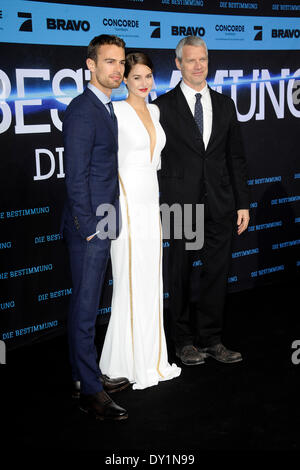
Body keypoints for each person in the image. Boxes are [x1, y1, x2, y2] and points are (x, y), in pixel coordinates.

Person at [154, 36, 250, 366]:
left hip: (221, 203)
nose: (199, 66)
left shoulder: (224, 105)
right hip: (180, 205)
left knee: (216, 273)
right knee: (179, 273)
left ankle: (211, 338)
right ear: (178, 63)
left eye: (204, 59)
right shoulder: (162, 106)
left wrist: (242, 203)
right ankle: (182, 340)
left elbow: (234, 157)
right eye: (191, 60)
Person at [100, 52, 181, 389]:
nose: (144, 83)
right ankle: (124, 363)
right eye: (137, 78)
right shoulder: (114, 112)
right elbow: (107, 162)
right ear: (124, 80)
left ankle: (150, 359)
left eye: (148, 76)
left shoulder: (156, 109)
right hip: (125, 203)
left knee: (150, 283)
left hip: (151, 202)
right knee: (129, 282)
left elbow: (156, 163)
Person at [62, 34, 130, 420]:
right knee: (86, 310)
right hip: (90, 227)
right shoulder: (84, 109)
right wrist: (90, 227)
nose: (117, 69)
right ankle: (90, 391)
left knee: (85, 306)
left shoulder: (106, 107)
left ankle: (81, 376)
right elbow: (75, 176)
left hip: (101, 222)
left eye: (120, 62)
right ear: (90, 65)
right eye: (109, 62)